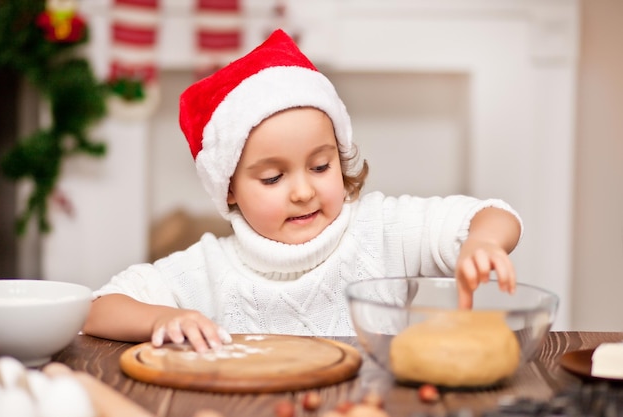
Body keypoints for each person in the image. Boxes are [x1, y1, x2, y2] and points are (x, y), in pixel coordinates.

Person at [83, 29, 523, 353]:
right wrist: (163, 316)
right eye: (273, 178)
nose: (302, 192)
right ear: (229, 189)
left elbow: (493, 214)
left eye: (320, 166)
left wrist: (481, 242)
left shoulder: (380, 231)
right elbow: (98, 308)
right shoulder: (208, 269)